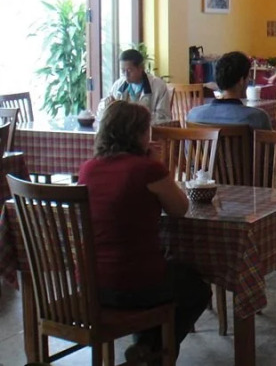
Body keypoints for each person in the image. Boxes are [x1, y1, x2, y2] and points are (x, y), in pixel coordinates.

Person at [78, 101, 210, 363]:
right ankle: (152, 351)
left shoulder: (88, 169)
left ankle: (146, 348)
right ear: (139, 134)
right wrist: (158, 164)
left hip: (91, 284)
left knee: (167, 281)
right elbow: (180, 208)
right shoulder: (147, 169)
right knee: (197, 289)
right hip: (134, 282)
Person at [186, 51, 272, 130]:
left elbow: (188, 142)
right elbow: (268, 142)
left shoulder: (193, 116)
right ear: (241, 81)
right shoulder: (258, 118)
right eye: (248, 78)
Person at [98, 49, 172, 123]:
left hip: (146, 129)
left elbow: (164, 118)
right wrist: (108, 106)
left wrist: (132, 116)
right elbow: (100, 114)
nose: (126, 75)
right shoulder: (118, 85)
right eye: (123, 71)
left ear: (141, 68)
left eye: (129, 70)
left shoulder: (158, 86)